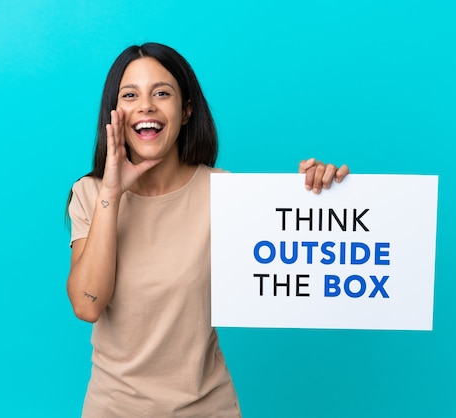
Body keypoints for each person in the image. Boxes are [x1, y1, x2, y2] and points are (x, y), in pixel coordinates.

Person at [66, 42, 349, 417]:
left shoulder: (226, 193)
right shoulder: (90, 193)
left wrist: (315, 197)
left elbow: (295, 256)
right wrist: (112, 194)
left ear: (185, 111)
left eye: (162, 93)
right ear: (115, 114)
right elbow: (87, 304)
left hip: (207, 407)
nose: (146, 105)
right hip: (113, 408)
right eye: (131, 95)